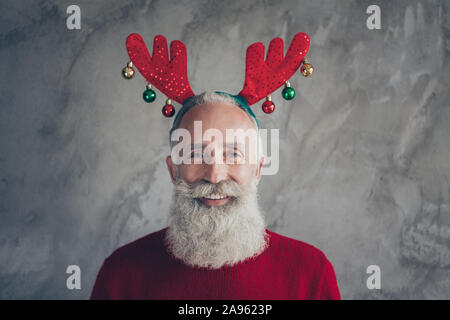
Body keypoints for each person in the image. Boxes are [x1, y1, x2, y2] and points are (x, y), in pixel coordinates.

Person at [90, 91, 341, 299]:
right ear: (172, 170)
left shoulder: (310, 272)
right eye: (196, 155)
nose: (214, 176)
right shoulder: (121, 274)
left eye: (233, 154)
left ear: (257, 169)